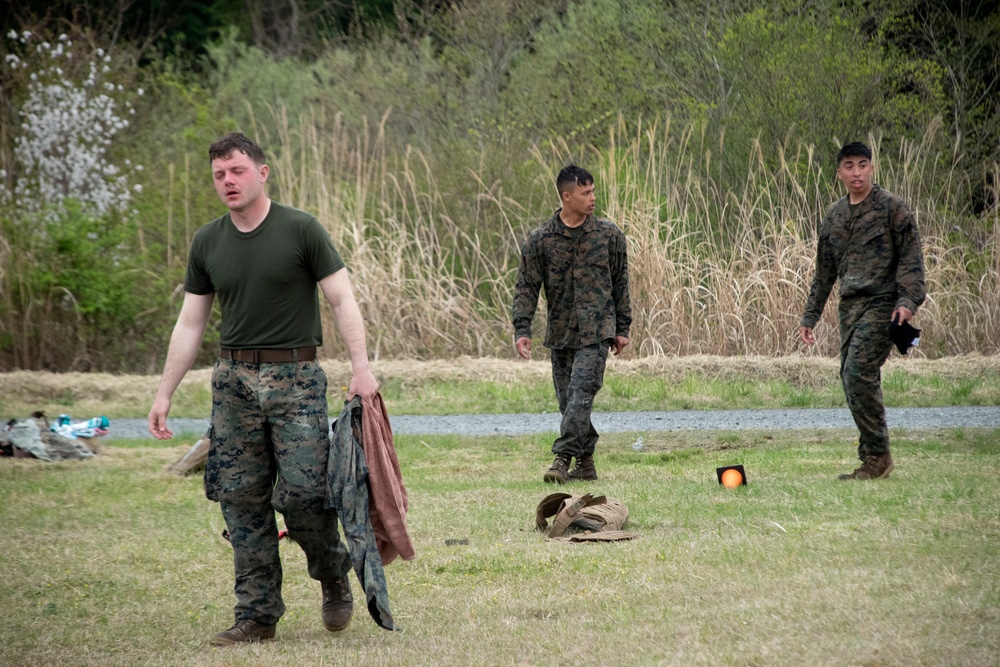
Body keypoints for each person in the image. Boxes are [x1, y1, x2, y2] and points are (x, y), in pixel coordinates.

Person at [147, 132, 379, 645]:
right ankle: (257, 616)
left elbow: (342, 299)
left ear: (262, 172)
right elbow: (190, 324)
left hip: (295, 379)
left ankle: (331, 573)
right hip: (233, 383)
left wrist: (361, 369)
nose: (227, 181)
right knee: (241, 499)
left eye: (236, 171)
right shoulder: (208, 241)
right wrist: (164, 393)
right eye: (218, 175)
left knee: (304, 495)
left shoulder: (301, 229)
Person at [799, 141, 926, 480]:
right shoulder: (834, 216)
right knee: (850, 378)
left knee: (858, 372)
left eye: (863, 164)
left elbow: (912, 260)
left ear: (872, 167)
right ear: (839, 172)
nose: (857, 172)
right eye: (850, 166)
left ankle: (878, 456)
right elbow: (824, 273)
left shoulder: (892, 208)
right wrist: (810, 316)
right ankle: (872, 454)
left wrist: (907, 302)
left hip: (883, 304)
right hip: (850, 307)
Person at [512, 165, 632, 484]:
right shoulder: (541, 239)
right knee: (569, 403)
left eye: (593, 191)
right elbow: (526, 285)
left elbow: (621, 283)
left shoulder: (609, 235)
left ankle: (562, 458)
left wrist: (623, 328)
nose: (593, 198)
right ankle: (587, 462)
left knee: (581, 392)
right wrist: (522, 329)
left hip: (597, 331)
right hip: (561, 332)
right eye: (585, 193)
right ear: (567, 196)